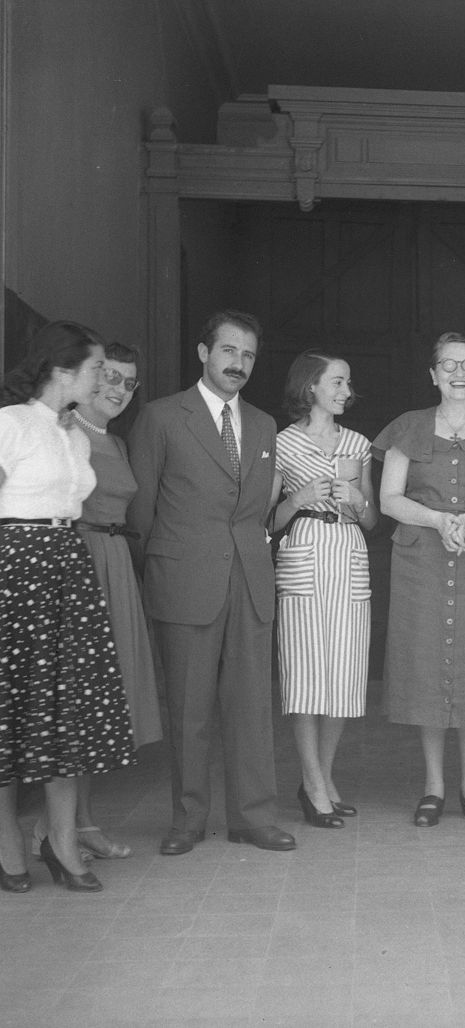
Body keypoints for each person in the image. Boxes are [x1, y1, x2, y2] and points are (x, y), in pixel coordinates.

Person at [128, 310, 295, 855]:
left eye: (248, 355)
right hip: (184, 579)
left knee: (251, 708)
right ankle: (187, 820)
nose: (238, 364)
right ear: (203, 354)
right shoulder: (160, 418)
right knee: (189, 709)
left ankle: (253, 817)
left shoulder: (266, 425)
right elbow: (142, 513)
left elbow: (256, 510)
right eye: (228, 351)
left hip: (249, 579)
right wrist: (168, 565)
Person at [0, 321, 134, 894]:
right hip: (16, 569)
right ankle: (7, 845)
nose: (106, 377)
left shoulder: (77, 437)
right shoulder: (9, 425)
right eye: (96, 367)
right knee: (14, 709)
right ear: (63, 370)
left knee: (67, 710)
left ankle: (61, 843)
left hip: (67, 567)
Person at [374, 332, 465, 827]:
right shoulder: (407, 427)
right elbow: (389, 499)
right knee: (425, 667)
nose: (459, 373)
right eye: (448, 365)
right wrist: (439, 520)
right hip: (422, 559)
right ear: (433, 374)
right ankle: (434, 787)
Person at [32, 342, 162, 862]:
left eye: (129, 383)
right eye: (109, 377)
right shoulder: (63, 431)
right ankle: (58, 828)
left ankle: (80, 824)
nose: (118, 390)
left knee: (103, 703)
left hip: (114, 563)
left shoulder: (118, 442)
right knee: (78, 699)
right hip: (78, 560)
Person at [271, 352, 377, 829]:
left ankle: (323, 778)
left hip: (349, 552)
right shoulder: (282, 443)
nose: (344, 390)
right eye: (336, 381)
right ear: (310, 386)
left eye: (347, 382)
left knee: (344, 677)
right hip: (304, 552)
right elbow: (265, 520)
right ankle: (313, 785)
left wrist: (358, 500)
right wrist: (297, 499)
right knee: (306, 676)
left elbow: (372, 521)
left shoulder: (358, 442)